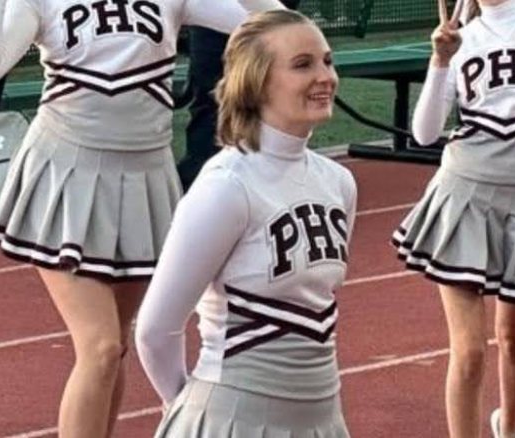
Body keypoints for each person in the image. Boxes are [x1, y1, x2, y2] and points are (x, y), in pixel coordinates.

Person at [0, 0, 283, 437]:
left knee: (116, 345)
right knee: (100, 346)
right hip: (66, 173)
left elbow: (267, 22)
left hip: (142, 176)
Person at [135, 9, 357, 438]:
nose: (325, 76)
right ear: (255, 82)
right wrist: (184, 409)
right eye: (302, 64)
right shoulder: (226, 186)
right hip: (231, 418)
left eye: (327, 61)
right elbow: (156, 329)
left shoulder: (339, 183)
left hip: (321, 417)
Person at [392, 0, 515, 437]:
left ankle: (509, 427)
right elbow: (424, 134)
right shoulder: (459, 36)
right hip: (465, 195)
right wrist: (440, 60)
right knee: (468, 352)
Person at [178, 0, 301, 192]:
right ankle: (202, 186)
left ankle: (273, 181)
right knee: (210, 102)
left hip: (268, 17)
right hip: (211, 24)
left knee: (270, 99)